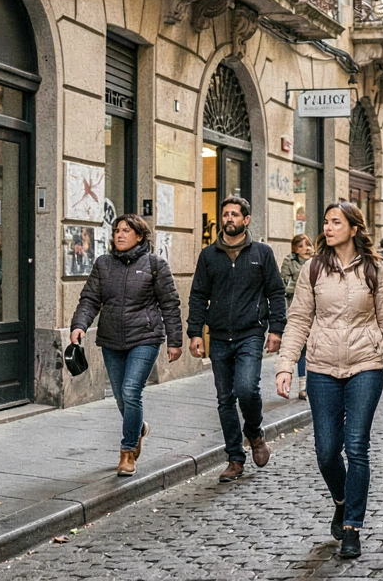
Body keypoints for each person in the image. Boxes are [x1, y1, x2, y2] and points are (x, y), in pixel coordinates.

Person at [275, 202, 383, 560]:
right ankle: (341, 498)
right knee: (326, 451)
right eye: (326, 221)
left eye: (337, 221)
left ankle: (352, 527)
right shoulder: (313, 268)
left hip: (366, 366)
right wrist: (286, 365)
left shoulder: (377, 269)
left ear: (353, 228)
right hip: (321, 368)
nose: (329, 227)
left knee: (357, 447)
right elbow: (299, 319)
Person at [69, 215, 182, 476]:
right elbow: (89, 299)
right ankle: (138, 427)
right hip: (111, 339)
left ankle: (128, 451)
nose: (119, 235)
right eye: (117, 231)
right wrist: (79, 326)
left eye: (126, 231)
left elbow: (170, 305)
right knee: (121, 396)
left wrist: (174, 341)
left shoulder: (155, 264)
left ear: (139, 236)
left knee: (131, 391)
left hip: (145, 337)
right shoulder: (103, 264)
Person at [186, 197, 288, 483]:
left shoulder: (262, 253)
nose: (228, 218)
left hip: (250, 333)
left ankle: (254, 433)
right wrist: (195, 332)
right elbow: (197, 295)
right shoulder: (209, 255)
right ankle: (234, 458)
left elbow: (276, 293)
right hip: (218, 335)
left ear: (246, 219)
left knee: (246, 388)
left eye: (234, 214)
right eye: (225, 214)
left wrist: (276, 330)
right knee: (224, 399)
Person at [279, 234, 314, 399]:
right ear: (295, 249)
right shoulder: (290, 262)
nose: (306, 248)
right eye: (301, 246)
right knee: (302, 349)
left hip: (318, 312)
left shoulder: (318, 261)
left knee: (314, 350)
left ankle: (312, 385)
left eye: (308, 245)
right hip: (298, 310)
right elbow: (282, 284)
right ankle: (303, 387)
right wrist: (300, 289)